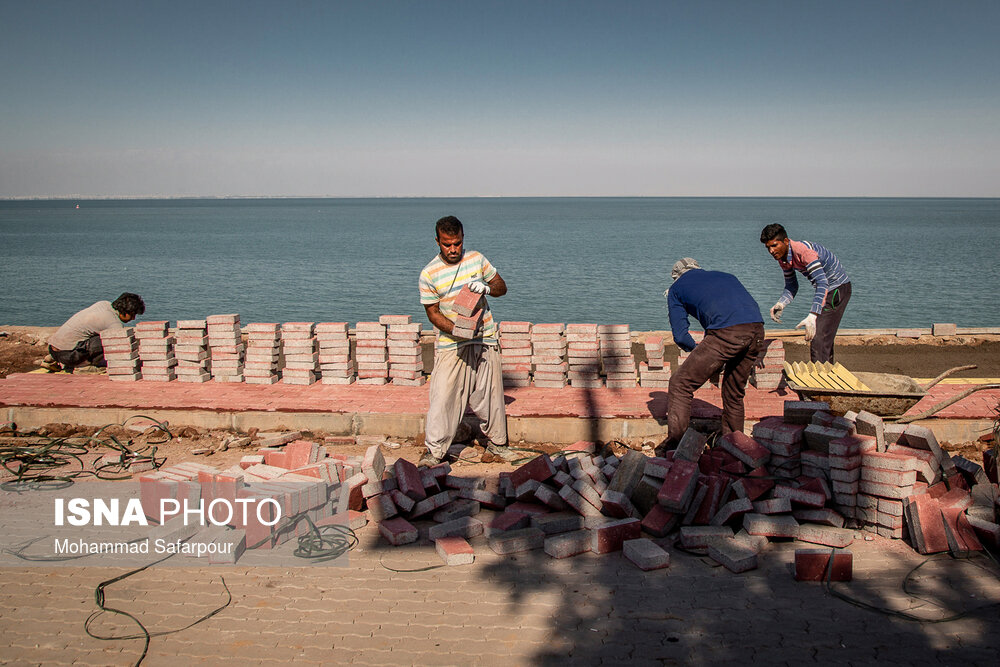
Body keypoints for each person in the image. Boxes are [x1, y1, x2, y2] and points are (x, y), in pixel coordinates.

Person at [418, 216, 516, 467]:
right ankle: (435, 452)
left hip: (485, 337)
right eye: (447, 244)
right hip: (454, 343)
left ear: (463, 239)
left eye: (457, 243)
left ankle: (497, 444)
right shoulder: (429, 274)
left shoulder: (477, 259)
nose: (453, 249)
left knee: (490, 394)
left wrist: (486, 287)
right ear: (437, 241)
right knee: (443, 396)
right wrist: (458, 330)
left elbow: (501, 287)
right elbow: (432, 314)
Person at [665, 258, 764, 445]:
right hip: (757, 329)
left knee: (680, 384)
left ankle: (676, 448)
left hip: (728, 333)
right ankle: (735, 447)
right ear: (698, 268)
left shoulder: (676, 289)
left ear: (676, 277)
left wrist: (697, 352)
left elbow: (680, 336)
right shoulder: (726, 276)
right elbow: (730, 311)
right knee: (733, 393)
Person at [760, 223, 851, 363]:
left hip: (837, 289)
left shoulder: (804, 252)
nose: (771, 251)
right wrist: (781, 303)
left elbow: (822, 283)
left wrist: (812, 315)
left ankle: (820, 378)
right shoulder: (783, 258)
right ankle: (827, 371)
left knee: (818, 336)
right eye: (768, 247)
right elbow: (792, 285)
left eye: (774, 245)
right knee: (824, 335)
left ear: (786, 241)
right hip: (828, 289)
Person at [44, 293, 145, 372]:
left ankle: (53, 359)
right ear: (125, 311)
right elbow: (123, 348)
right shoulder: (113, 323)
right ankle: (83, 367)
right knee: (110, 341)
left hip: (53, 350)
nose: (133, 318)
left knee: (94, 335)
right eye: (133, 314)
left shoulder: (104, 304)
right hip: (69, 356)